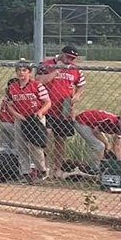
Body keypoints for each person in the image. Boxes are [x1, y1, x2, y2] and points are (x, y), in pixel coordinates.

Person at [0, 60, 51, 180]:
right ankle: (25, 172)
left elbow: (47, 102)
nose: (21, 73)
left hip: (35, 119)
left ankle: (42, 170)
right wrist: (17, 115)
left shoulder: (37, 86)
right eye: (18, 70)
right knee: (21, 145)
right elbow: (9, 105)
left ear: (29, 72)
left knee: (35, 145)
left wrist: (40, 112)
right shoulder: (12, 87)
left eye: (24, 70)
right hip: (20, 119)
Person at [40, 44, 86, 173]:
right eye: (67, 57)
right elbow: (39, 80)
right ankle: (45, 167)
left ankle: (58, 168)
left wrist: (77, 95)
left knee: (61, 140)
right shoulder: (47, 64)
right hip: (46, 108)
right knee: (46, 136)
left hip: (64, 109)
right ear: (61, 53)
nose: (69, 60)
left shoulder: (75, 69)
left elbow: (82, 85)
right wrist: (57, 69)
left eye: (72, 58)